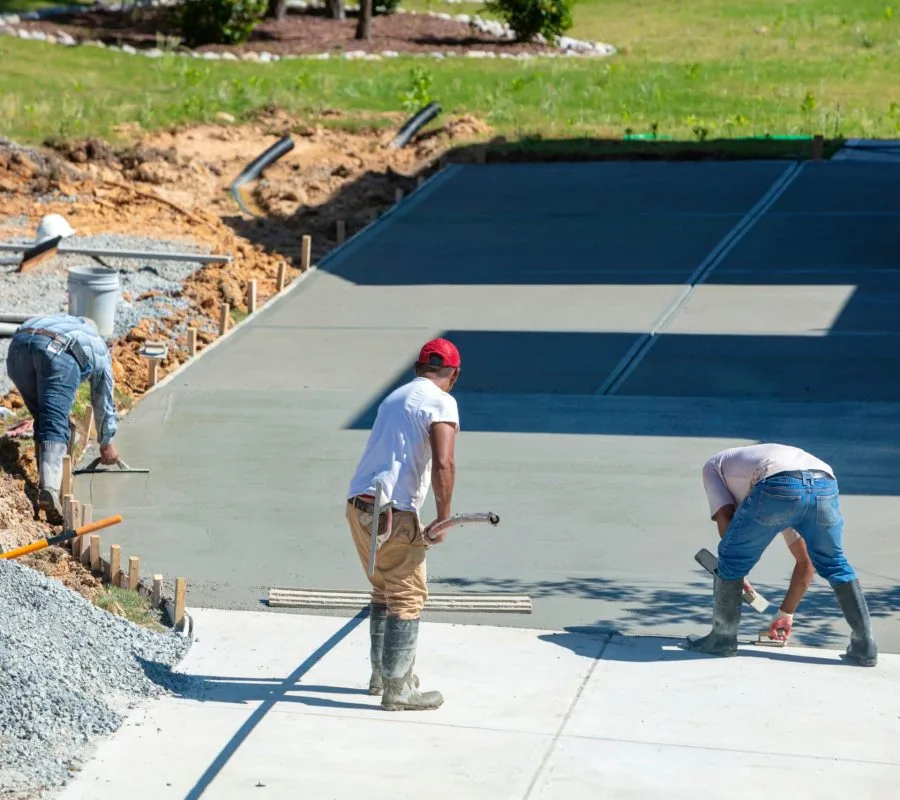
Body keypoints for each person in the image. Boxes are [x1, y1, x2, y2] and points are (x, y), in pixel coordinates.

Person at [346, 337, 461, 711]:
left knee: (383, 588)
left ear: (417, 370)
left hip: (359, 505)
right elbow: (444, 463)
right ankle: (398, 690)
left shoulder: (393, 398)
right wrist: (444, 518)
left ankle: (381, 675)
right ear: (453, 374)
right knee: (408, 596)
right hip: (394, 513)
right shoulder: (441, 402)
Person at [686, 443, 877, 666]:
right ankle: (865, 646)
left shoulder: (713, 467)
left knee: (731, 560)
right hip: (824, 482)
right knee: (834, 563)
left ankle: (722, 639)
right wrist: (786, 613)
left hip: (776, 483)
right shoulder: (784, 499)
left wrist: (735, 574)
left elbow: (725, 517)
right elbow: (806, 564)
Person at [5, 313, 119, 518]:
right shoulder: (97, 344)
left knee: (45, 418)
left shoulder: (65, 322)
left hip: (17, 349)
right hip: (58, 352)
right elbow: (103, 398)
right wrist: (106, 441)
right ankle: (50, 489)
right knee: (54, 423)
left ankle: (46, 480)